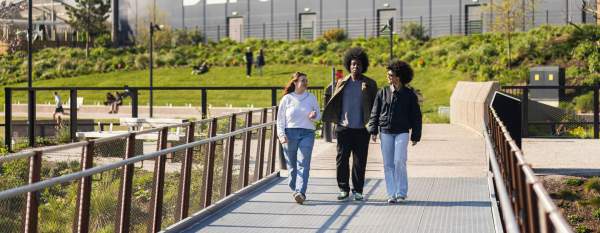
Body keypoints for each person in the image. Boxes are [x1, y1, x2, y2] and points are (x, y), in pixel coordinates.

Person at [322, 48, 378, 201]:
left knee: (360, 162)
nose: (355, 67)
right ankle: (343, 189)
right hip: (343, 128)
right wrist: (334, 123)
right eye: (353, 64)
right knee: (342, 160)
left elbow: (375, 106)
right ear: (349, 65)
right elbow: (334, 101)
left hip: (362, 129)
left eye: (358, 64)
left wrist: (374, 128)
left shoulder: (370, 84)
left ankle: (358, 190)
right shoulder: (342, 82)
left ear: (363, 66)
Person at [367, 59, 422, 204]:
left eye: (391, 74)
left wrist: (416, 134)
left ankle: (401, 192)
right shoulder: (382, 92)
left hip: (402, 131)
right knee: (388, 164)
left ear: (399, 76)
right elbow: (375, 112)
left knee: (399, 160)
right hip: (385, 131)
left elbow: (416, 116)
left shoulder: (409, 95)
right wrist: (373, 130)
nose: (388, 76)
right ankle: (391, 193)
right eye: (388, 74)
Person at [277, 72, 321, 204]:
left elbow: (319, 114)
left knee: (303, 163)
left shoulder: (311, 97)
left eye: (307, 80)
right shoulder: (287, 99)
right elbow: (280, 120)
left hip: (307, 133)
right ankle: (294, 187)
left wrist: (315, 115)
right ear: (295, 82)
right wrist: (281, 135)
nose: (306, 83)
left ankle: (300, 192)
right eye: (303, 80)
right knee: (292, 165)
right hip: (290, 134)